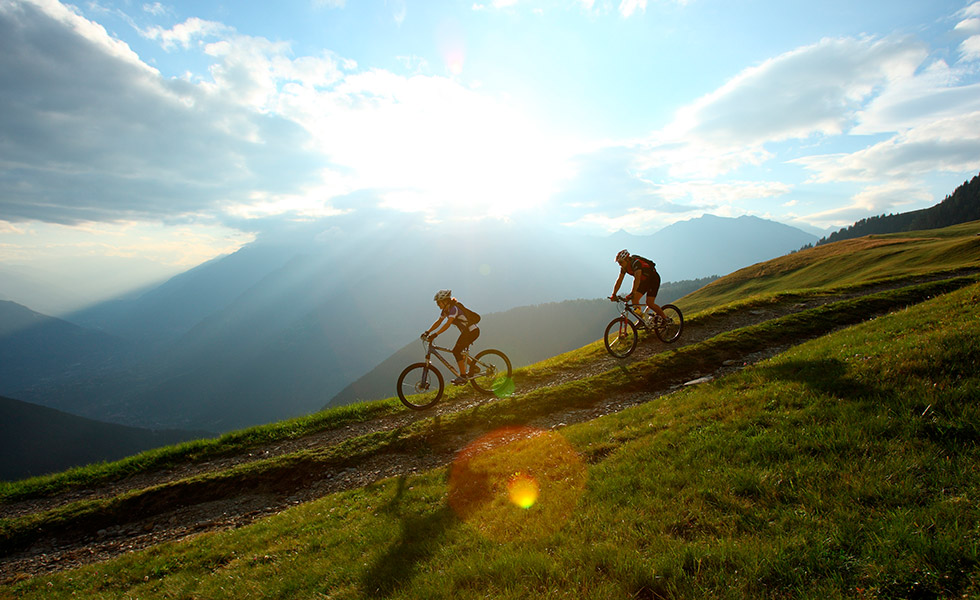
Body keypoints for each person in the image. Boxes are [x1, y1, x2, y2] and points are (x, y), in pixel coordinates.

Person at [422, 289, 480, 385]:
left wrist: (436, 334)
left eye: (438, 302)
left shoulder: (454, 309)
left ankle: (463, 376)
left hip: (472, 331)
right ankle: (474, 367)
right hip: (467, 332)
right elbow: (438, 322)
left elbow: (447, 324)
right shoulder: (446, 310)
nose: (438, 305)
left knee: (456, 351)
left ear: (445, 301)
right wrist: (427, 332)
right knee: (458, 351)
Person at [609, 249, 669, 326]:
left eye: (620, 262)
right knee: (634, 300)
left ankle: (665, 318)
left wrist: (632, 292)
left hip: (653, 280)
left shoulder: (636, 263)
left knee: (650, 303)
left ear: (627, 259)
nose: (619, 264)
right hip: (644, 281)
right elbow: (619, 280)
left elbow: (637, 279)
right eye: (618, 263)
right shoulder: (624, 267)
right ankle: (642, 320)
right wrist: (614, 294)